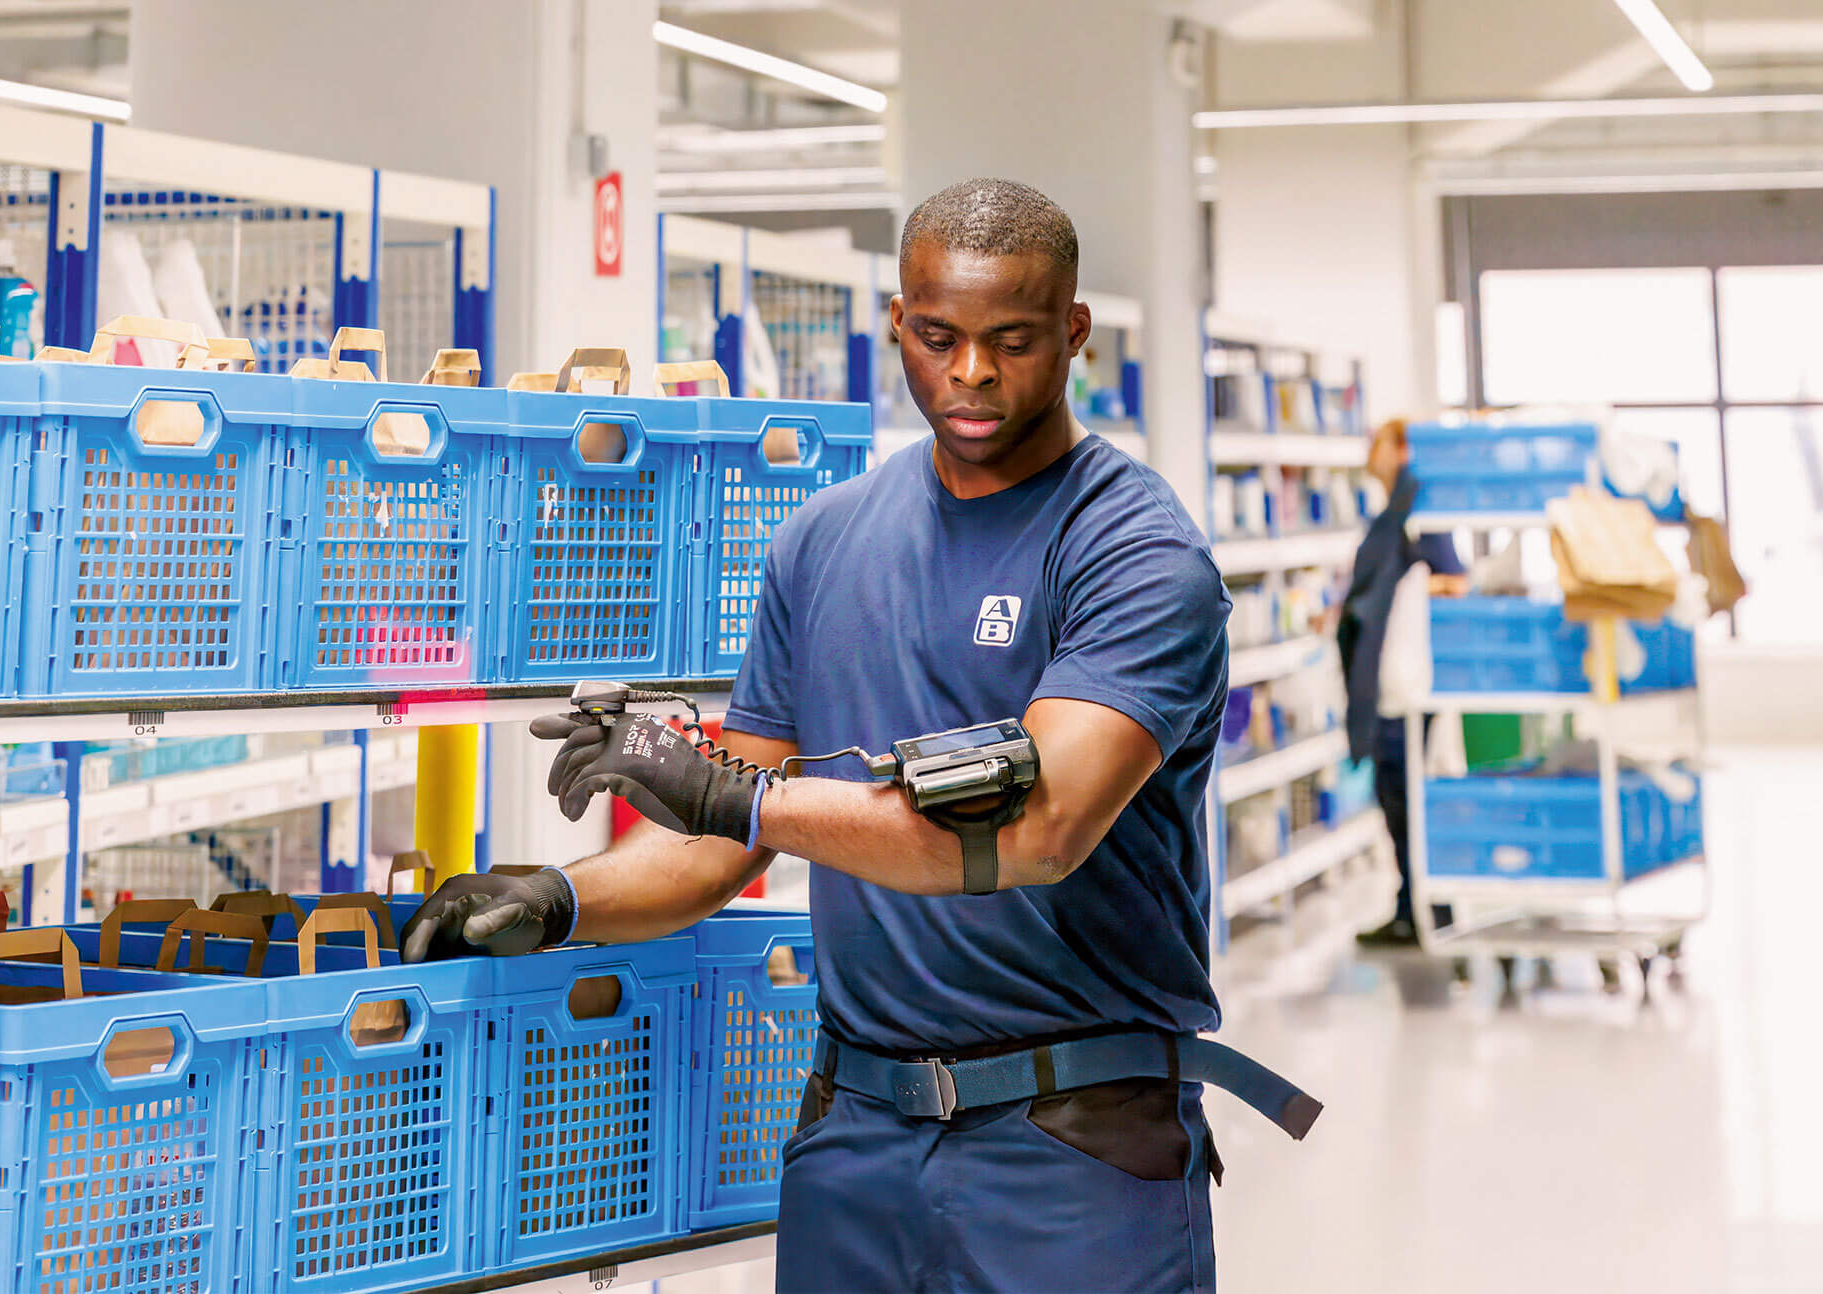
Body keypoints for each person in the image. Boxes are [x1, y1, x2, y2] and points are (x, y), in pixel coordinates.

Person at [400, 178, 1314, 1293]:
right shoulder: (819, 544)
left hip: (1071, 1150)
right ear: (896, 323)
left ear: (1072, 332)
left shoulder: (1131, 553)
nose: (970, 374)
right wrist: (559, 898)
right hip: (856, 1135)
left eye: (1011, 341)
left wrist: (725, 791)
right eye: (936, 338)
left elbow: (1036, 829)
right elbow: (720, 841)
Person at [1336, 417, 1468, 947]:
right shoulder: (1390, 515)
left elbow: (1455, 582)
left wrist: (1408, 594)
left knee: (1412, 802)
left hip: (1410, 692)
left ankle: (1428, 908)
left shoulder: (1422, 517)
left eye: (1379, 443)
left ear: (1401, 450)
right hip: (1384, 689)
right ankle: (1411, 905)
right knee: (1393, 801)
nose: (1370, 451)